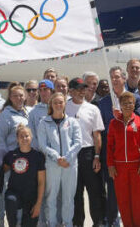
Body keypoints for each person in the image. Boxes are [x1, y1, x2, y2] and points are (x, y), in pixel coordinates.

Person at [99, 67, 140, 227]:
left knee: (135, 198)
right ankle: (114, 222)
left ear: (124, 79)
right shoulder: (103, 103)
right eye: (112, 77)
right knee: (115, 195)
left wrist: (123, 114)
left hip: (134, 160)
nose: (114, 80)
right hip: (115, 159)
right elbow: (104, 134)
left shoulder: (136, 99)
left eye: (117, 77)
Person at [36, 92, 83, 226]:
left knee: (68, 198)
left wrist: (67, 158)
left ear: (65, 104)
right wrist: (57, 158)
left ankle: (67, 223)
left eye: (61, 102)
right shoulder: (44, 122)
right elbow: (42, 145)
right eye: (55, 102)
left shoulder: (72, 122)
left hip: (70, 164)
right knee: (51, 197)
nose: (58, 105)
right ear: (51, 104)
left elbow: (78, 142)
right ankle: (52, 223)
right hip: (52, 165)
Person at [65, 78, 106, 227]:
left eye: (84, 88)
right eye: (78, 89)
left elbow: (97, 135)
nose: (82, 92)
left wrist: (96, 156)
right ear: (70, 91)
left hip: (88, 153)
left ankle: (98, 223)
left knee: (94, 191)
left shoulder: (92, 109)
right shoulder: (64, 107)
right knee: (75, 194)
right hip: (71, 153)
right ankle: (77, 223)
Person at [106, 91, 140, 227]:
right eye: (124, 103)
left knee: (138, 200)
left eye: (130, 103)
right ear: (120, 105)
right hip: (119, 168)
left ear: (134, 104)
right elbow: (109, 146)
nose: (127, 106)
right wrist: (110, 165)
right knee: (123, 200)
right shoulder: (114, 123)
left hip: (137, 167)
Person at [4, 125, 46, 227]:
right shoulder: (11, 155)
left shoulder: (38, 156)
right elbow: (2, 171)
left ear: (31, 137)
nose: (24, 139)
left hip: (31, 197)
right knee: (10, 201)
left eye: (26, 136)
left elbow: (41, 182)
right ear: (17, 139)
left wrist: (38, 204)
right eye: (21, 136)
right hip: (14, 194)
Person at [0, 84, 31, 154]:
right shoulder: (5, 115)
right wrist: (5, 159)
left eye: (21, 95)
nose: (18, 98)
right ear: (10, 98)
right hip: (13, 156)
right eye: (15, 96)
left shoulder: (30, 112)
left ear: (25, 97)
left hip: (29, 155)